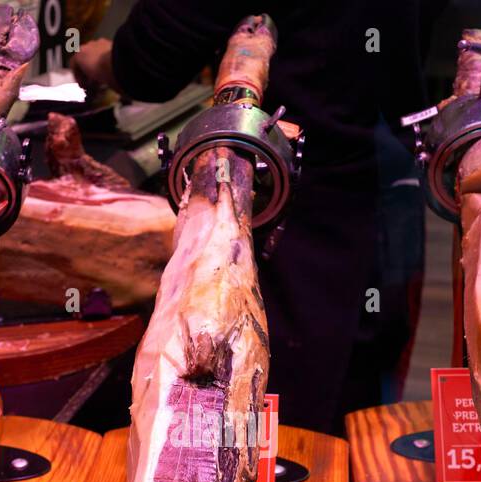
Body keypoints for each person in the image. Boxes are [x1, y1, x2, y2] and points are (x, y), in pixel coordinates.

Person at [72, 1, 436, 434]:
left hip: (290, 209)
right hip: (387, 184)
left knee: (273, 431)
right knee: (348, 425)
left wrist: (96, 59)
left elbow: (152, 61)